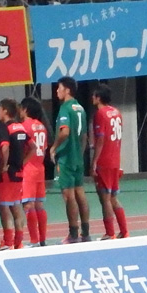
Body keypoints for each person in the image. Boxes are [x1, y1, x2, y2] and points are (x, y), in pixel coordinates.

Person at [50, 76, 91, 244]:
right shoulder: (80, 108)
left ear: (67, 90)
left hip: (66, 157)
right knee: (80, 192)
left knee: (68, 196)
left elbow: (65, 132)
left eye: (59, 88)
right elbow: (84, 136)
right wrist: (80, 153)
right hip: (77, 158)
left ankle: (73, 233)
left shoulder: (65, 108)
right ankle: (85, 232)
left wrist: (54, 147)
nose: (57, 91)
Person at [91, 84, 129, 240]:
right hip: (115, 158)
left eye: (94, 95)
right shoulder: (116, 112)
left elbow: (101, 139)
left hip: (105, 160)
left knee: (105, 197)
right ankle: (124, 231)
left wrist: (94, 161)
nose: (92, 98)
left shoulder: (100, 113)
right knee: (113, 197)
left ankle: (109, 232)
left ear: (98, 97)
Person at [0, 98, 27, 250]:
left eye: (0, 109)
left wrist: (4, 166)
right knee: (16, 206)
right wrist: (22, 162)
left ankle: (8, 242)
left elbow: (5, 147)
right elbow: (32, 147)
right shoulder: (21, 127)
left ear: (5, 111)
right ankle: (18, 242)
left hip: (8, 174)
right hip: (19, 172)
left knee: (3, 206)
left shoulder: (5, 128)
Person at [19, 97, 49, 247]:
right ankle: (42, 239)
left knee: (28, 205)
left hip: (28, 168)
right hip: (40, 168)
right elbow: (44, 148)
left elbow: (22, 148)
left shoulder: (24, 126)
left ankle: (33, 241)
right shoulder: (42, 126)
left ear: (25, 109)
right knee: (39, 205)